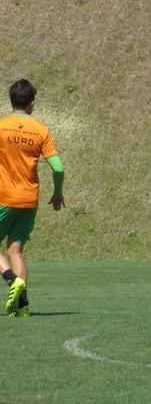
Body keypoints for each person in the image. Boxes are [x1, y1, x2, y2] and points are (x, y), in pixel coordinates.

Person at [0, 79, 65, 318]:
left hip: (3, 197)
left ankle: (11, 281)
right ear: (31, 103)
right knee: (15, 250)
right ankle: (22, 306)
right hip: (29, 199)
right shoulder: (40, 130)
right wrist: (57, 193)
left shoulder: (1, 126)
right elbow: (58, 168)